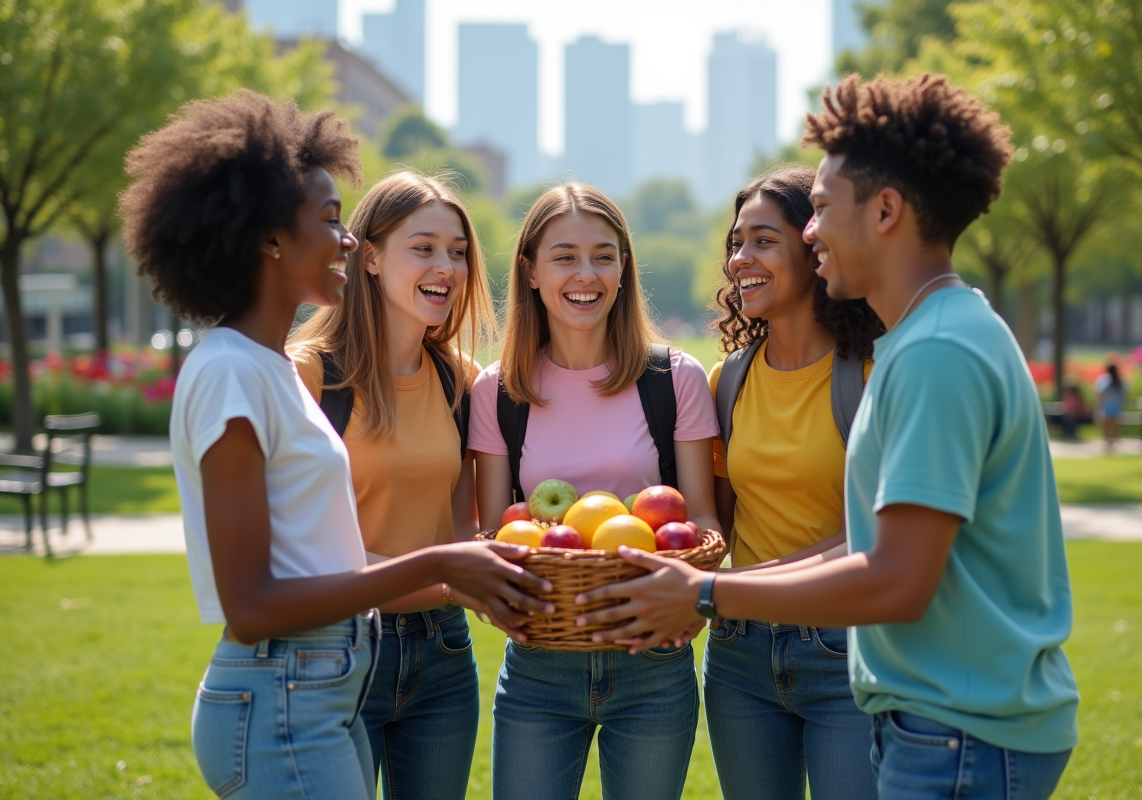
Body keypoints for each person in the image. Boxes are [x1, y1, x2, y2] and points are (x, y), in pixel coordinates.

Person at [575, 74, 1080, 800]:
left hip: (961, 733)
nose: (810, 233)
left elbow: (896, 577)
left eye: (817, 210)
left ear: (885, 211)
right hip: (947, 722)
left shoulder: (936, 353)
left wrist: (710, 593)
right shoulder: (934, 337)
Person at [119, 91, 551, 800]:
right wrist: (444, 565)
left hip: (321, 687)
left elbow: (318, 553)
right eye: (328, 221)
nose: (345, 238)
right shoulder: (233, 371)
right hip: (281, 693)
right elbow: (252, 605)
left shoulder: (267, 369)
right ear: (268, 238)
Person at [469, 183, 722, 800]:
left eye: (604, 255)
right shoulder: (497, 391)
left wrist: (695, 599)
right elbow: (494, 531)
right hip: (539, 664)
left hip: (653, 660)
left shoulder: (674, 378)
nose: (587, 274)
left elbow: (706, 522)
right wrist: (493, 594)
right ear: (529, 271)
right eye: (565, 256)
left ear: (623, 267)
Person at [287, 172, 496, 799]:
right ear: (370, 256)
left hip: (444, 654)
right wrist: (448, 580)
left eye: (458, 251)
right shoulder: (311, 373)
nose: (447, 266)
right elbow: (301, 551)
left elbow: (465, 528)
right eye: (424, 247)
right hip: (338, 650)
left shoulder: (463, 380)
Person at [703, 166, 884, 800]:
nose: (739, 259)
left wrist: (723, 589)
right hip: (738, 655)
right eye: (736, 241)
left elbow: (876, 539)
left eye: (762, 241)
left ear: (816, 251)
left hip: (844, 651)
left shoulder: (871, 375)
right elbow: (717, 523)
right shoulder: (728, 379)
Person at [1094, 362, 1127, 450]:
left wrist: (1098, 406)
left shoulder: (1104, 380)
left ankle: (1108, 443)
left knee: (1106, 426)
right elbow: (1124, 395)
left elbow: (1100, 395)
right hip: (1117, 407)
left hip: (1106, 407)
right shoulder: (1120, 381)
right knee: (1114, 427)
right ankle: (1112, 443)